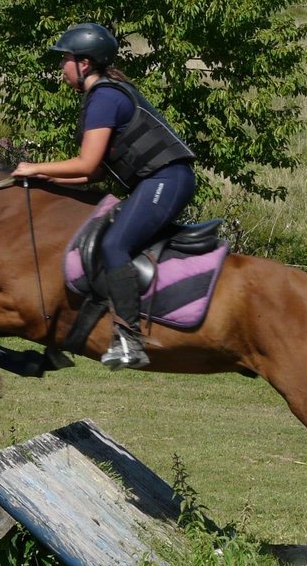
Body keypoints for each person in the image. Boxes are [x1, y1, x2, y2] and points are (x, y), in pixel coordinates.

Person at [12, 22, 197, 370]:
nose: (61, 66)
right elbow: (91, 174)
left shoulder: (105, 97)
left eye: (65, 58)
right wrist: (42, 180)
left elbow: (86, 162)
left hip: (166, 179)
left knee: (114, 245)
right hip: (154, 181)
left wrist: (35, 168)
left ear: (84, 63)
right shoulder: (99, 96)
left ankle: (130, 341)